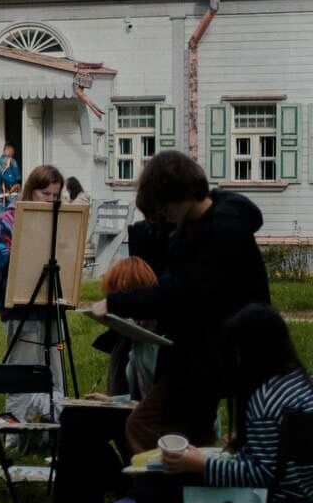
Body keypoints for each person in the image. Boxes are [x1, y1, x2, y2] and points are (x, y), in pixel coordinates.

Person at [90, 150, 270, 453]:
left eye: (161, 205)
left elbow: (181, 292)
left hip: (227, 352)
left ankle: (171, 491)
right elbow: (175, 287)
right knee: (190, 435)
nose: (160, 214)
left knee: (145, 425)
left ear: (178, 193)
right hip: (198, 354)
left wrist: (118, 303)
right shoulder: (188, 229)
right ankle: (188, 488)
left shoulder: (225, 231)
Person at [163, 304, 313, 503]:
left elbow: (262, 475)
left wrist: (202, 465)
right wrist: (252, 442)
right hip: (304, 494)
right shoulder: (298, 380)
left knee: (179, 482)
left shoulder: (265, 400)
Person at [51, 256, 160, 503]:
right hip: (140, 412)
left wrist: (130, 405)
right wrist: (111, 400)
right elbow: (137, 393)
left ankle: (82, 501)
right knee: (76, 417)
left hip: (165, 420)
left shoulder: (161, 338)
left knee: (79, 422)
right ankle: (81, 500)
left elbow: (169, 398)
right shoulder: (135, 339)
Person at [0, 164, 65, 421]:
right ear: (32, 191)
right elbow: (1, 262)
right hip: (20, 309)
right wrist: (31, 242)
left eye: (56, 196)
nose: (51, 201)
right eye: (46, 194)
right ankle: (17, 427)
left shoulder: (57, 220)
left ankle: (53, 426)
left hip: (50, 306)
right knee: (22, 372)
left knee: (55, 369)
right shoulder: (8, 219)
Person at [0, 143, 21, 208]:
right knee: (11, 215)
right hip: (11, 193)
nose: (13, 154)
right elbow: (18, 177)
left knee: (0, 216)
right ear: (9, 150)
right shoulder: (12, 161)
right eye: (13, 151)